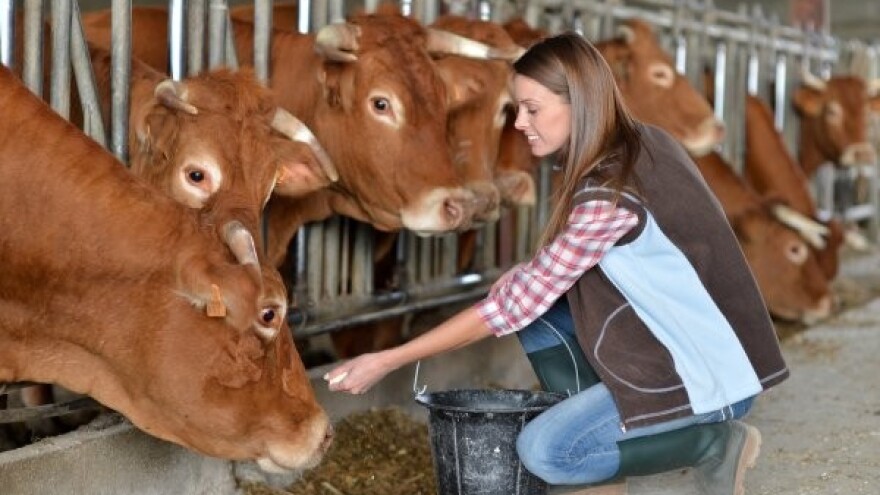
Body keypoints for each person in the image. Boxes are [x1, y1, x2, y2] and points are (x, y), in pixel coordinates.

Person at [324, 32, 789, 495]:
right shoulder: (644, 143)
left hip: (711, 380)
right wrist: (524, 280)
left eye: (532, 108)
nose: (521, 124)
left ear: (579, 102)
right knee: (534, 310)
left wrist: (389, 359)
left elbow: (505, 310)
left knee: (546, 452)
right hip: (693, 346)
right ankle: (612, 450)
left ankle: (713, 444)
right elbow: (534, 293)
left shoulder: (608, 193)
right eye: (517, 109)